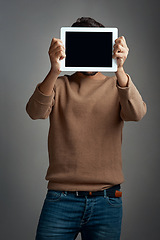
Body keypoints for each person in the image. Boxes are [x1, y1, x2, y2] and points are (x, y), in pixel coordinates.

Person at [26, 17, 147, 240]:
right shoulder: (59, 85)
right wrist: (54, 69)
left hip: (107, 199)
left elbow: (137, 113)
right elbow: (35, 112)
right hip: (60, 199)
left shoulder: (116, 86)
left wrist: (120, 69)